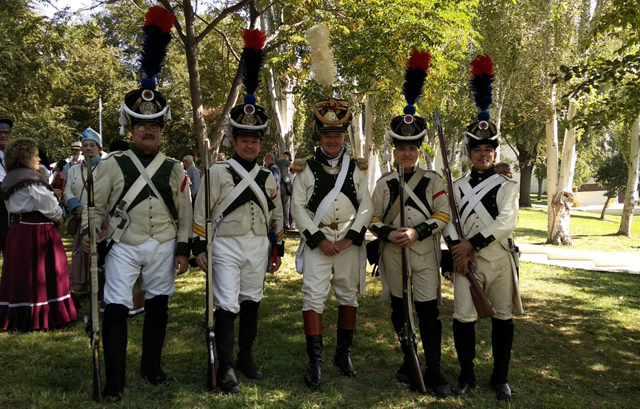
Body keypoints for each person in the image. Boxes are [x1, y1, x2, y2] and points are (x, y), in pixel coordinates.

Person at [80, 7, 191, 401]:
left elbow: (186, 215)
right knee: (115, 307)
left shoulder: (175, 168)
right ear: (131, 128)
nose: (148, 131)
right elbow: (95, 206)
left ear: (161, 129)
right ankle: (114, 380)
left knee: (158, 305)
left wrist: (181, 249)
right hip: (124, 244)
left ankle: (152, 367)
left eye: (155, 126)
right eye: (142, 126)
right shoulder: (113, 164)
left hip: (162, 244)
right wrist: (91, 232)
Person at [193, 28, 283, 394]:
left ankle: (246, 357)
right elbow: (201, 215)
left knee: (251, 301)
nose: (249, 143)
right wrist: (200, 247)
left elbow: (276, 215)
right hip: (226, 246)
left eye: (255, 139)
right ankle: (226, 366)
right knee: (227, 305)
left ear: (261, 142)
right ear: (233, 140)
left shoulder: (269, 177)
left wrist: (276, 246)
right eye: (243, 138)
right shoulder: (216, 172)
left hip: (258, 246)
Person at [291, 24, 372, 389]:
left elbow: (366, 205)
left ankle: (344, 353)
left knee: (349, 296)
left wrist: (352, 238)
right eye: (327, 135)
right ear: (318, 136)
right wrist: (317, 240)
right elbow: (297, 207)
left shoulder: (356, 168)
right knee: (313, 299)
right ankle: (315, 363)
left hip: (349, 244)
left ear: (344, 136)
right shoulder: (306, 168)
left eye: (338, 134)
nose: (333, 140)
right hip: (319, 243)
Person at [369, 49, 452, 398]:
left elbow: (443, 215)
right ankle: (408, 360)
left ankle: (432, 369)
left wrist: (416, 231)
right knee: (399, 309)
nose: (406, 153)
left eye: (412, 147)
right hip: (392, 252)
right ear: (394, 150)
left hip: (424, 251)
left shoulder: (433, 180)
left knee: (428, 311)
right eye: (401, 147)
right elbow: (372, 219)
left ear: (420, 149)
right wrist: (391, 233)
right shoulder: (384, 183)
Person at [442, 55, 522, 401]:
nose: (484, 154)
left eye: (489, 149)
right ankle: (467, 375)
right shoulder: (456, 186)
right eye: (478, 149)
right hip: (465, 261)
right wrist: (455, 250)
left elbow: (507, 222)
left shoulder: (508, 186)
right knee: (463, 318)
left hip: (498, 259)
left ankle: (500, 378)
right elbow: (445, 219)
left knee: (503, 319)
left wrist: (470, 243)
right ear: (468, 151)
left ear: (495, 152)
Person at [0, 138, 77, 331]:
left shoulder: (11, 176)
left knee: (22, 273)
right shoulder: (30, 178)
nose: (38, 158)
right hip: (38, 230)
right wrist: (59, 218)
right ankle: (44, 314)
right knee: (42, 271)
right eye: (35, 155)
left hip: (18, 230)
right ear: (25, 156)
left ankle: (21, 313)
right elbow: (49, 206)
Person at [64, 128, 103, 293]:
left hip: (103, 218)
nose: (88, 148)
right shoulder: (74, 169)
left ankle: (101, 288)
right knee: (81, 252)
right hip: (81, 216)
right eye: (85, 145)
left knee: (102, 252)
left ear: (99, 149)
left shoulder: (107, 168)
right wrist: (77, 208)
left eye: (92, 145)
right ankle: (83, 286)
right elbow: (67, 191)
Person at [0, 117, 13, 255]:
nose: (2, 135)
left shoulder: (16, 155)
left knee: (10, 248)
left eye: (5, 132)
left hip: (12, 207)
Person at [275, 151, 293, 229]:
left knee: (279, 206)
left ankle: (279, 223)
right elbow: (294, 167)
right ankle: (286, 224)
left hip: (277, 186)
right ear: (286, 157)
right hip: (285, 185)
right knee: (286, 205)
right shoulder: (284, 161)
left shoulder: (275, 161)